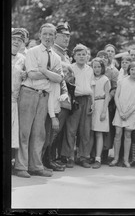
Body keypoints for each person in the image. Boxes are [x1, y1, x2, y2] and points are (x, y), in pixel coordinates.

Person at [14, 23, 63, 178]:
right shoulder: (33, 52)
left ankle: (35, 165)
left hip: (44, 95)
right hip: (28, 93)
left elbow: (60, 78)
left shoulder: (56, 57)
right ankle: (21, 166)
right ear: (40, 36)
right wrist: (49, 73)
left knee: (39, 133)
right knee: (24, 131)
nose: (48, 37)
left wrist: (42, 70)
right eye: (45, 34)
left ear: (55, 37)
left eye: (51, 34)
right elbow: (32, 75)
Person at [42, 22, 73, 171]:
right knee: (52, 130)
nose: (66, 39)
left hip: (64, 98)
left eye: (68, 36)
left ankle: (50, 158)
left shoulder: (65, 54)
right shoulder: (54, 52)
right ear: (56, 36)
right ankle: (45, 159)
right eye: (63, 35)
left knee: (57, 131)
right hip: (54, 97)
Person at [60, 44, 94, 168]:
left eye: (84, 54)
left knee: (85, 130)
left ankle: (83, 157)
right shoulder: (71, 68)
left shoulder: (90, 69)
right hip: (75, 100)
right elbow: (67, 85)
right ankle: (69, 156)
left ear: (87, 56)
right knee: (71, 129)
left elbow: (92, 87)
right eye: (78, 54)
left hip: (87, 100)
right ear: (74, 56)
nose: (81, 57)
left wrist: (93, 103)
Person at [110, 62, 135, 168]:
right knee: (118, 133)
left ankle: (125, 160)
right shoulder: (122, 81)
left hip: (132, 112)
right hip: (120, 110)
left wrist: (129, 113)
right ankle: (115, 159)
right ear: (129, 70)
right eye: (132, 69)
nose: (134, 72)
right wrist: (120, 111)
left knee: (128, 135)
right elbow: (116, 97)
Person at [97, 48, 119, 164]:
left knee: (106, 130)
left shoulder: (113, 71)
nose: (104, 59)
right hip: (95, 102)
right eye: (102, 56)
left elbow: (114, 88)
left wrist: (107, 100)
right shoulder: (94, 69)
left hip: (108, 103)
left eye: (106, 57)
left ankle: (104, 154)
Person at [90, 57, 111, 169]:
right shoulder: (91, 77)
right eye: (95, 67)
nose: (97, 69)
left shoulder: (105, 79)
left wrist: (104, 111)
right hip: (93, 105)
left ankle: (98, 158)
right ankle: (90, 156)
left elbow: (107, 95)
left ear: (102, 68)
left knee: (99, 133)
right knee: (91, 132)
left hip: (101, 104)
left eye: (99, 67)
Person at [11, 28, 26, 167]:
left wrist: (24, 75)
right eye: (14, 39)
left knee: (12, 132)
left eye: (19, 40)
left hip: (15, 100)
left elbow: (25, 76)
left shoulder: (23, 58)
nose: (16, 42)